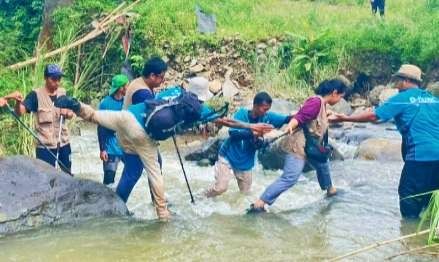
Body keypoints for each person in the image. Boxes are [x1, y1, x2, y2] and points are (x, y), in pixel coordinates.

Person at [54, 79, 272, 220]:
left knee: (94, 116)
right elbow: (225, 121)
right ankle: (163, 213)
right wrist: (251, 126)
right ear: (203, 95)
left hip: (127, 117)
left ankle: (77, 105)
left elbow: (152, 104)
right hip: (143, 135)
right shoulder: (199, 108)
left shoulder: (173, 91)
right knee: (155, 172)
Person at [330, 64, 439, 219]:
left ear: (406, 81)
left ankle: (408, 237)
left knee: (408, 198)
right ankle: (426, 237)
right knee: (431, 200)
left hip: (420, 156)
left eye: (398, 80)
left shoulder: (402, 99)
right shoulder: (434, 100)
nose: (396, 84)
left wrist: (345, 117)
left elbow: (375, 116)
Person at [249, 79, 347, 212]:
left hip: (311, 146)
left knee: (322, 164)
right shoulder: (315, 102)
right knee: (290, 178)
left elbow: (311, 119)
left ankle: (331, 191)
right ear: (334, 93)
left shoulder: (321, 104)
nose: (340, 100)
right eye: (341, 96)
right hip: (299, 146)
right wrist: (291, 125)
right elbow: (299, 117)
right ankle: (259, 203)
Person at [204, 92, 290, 198]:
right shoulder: (242, 114)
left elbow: (287, 119)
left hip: (245, 162)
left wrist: (303, 114)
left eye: (268, 109)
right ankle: (203, 197)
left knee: (245, 195)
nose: (266, 112)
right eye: (264, 109)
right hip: (227, 157)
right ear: (255, 105)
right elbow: (233, 132)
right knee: (220, 188)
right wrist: (252, 132)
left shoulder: (267, 117)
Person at [5, 64, 74, 173]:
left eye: (59, 79)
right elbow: (20, 112)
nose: (57, 82)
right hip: (45, 147)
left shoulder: (63, 93)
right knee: (45, 177)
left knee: (68, 174)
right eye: (54, 79)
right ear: (45, 78)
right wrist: (18, 102)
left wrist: (68, 113)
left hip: (63, 143)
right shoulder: (35, 95)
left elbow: (71, 113)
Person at [97, 74, 128, 187]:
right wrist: (102, 149)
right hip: (110, 147)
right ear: (120, 88)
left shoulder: (128, 102)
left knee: (132, 175)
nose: (128, 88)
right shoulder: (105, 103)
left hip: (126, 147)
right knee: (108, 181)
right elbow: (100, 127)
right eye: (126, 86)